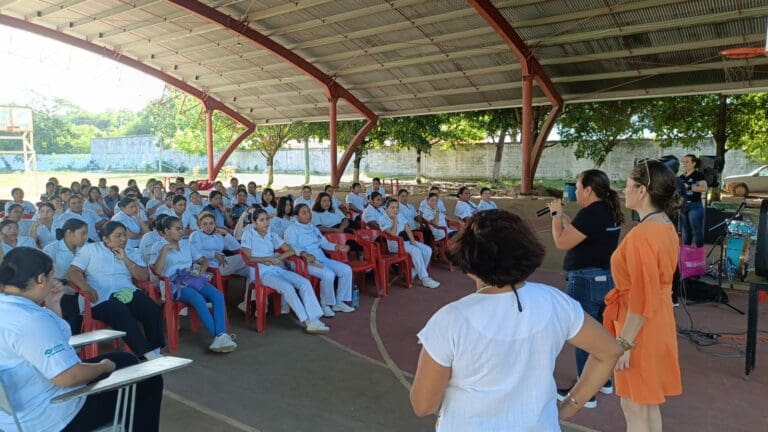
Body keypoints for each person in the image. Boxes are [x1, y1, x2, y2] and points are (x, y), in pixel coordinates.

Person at [410, 210, 623, 430]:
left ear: (469, 260)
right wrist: (570, 405)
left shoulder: (450, 320)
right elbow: (609, 351)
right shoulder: (555, 301)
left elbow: (422, 405)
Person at [0, 247, 164, 432]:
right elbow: (68, 377)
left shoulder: (9, 308)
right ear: (40, 279)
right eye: (51, 276)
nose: (53, 282)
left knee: (125, 360)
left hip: (13, 413)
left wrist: (53, 303)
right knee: (149, 380)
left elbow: (52, 340)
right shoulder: (30, 320)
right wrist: (104, 366)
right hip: (52, 418)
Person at [607, 160, 683, 431]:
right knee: (647, 405)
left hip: (639, 327)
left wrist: (624, 343)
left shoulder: (643, 235)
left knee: (634, 407)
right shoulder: (665, 225)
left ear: (642, 190)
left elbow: (640, 298)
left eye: (627, 186)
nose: (622, 191)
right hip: (657, 320)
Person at [547, 169, 624, 408]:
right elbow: (583, 235)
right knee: (600, 333)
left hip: (585, 280)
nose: (576, 191)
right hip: (605, 279)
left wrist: (556, 215)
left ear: (588, 189)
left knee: (582, 335)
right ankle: (604, 380)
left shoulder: (591, 213)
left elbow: (561, 242)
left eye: (578, 187)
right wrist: (564, 217)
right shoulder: (608, 211)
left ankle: (585, 392)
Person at [67, 221, 166, 360]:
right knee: (120, 312)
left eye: (125, 235)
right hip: (100, 296)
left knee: (151, 308)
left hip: (127, 291)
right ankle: (148, 354)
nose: (124, 239)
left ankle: (155, 349)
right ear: (106, 239)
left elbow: (143, 276)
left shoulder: (132, 251)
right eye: (118, 236)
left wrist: (125, 258)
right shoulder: (90, 249)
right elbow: (73, 272)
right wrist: (86, 287)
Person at [150, 216, 236, 353]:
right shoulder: (158, 246)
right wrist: (165, 249)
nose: (182, 231)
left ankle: (220, 335)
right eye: (177, 229)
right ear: (166, 231)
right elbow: (158, 271)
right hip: (173, 284)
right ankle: (220, 336)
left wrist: (201, 269)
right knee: (198, 298)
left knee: (218, 295)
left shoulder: (185, 244)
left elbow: (203, 260)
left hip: (191, 278)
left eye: (182, 228)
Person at [241, 208, 329, 334]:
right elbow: (249, 257)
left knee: (304, 282)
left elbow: (290, 250)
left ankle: (314, 318)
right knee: (287, 287)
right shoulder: (248, 234)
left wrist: (278, 258)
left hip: (275, 268)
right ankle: (307, 321)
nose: (266, 222)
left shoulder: (271, 234)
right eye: (261, 220)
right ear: (254, 223)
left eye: (267, 219)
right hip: (261, 273)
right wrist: (267, 259)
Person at [284, 204, 354, 318]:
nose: (308, 215)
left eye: (309, 212)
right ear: (296, 216)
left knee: (346, 270)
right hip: (305, 262)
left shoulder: (313, 228)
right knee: (328, 274)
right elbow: (291, 247)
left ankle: (340, 302)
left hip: (321, 258)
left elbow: (324, 243)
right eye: (304, 213)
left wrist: (338, 247)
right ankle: (326, 304)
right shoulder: (291, 230)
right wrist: (305, 254)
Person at [379, 199, 440, 289]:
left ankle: (414, 271)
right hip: (395, 245)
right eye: (392, 207)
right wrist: (395, 220)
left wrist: (413, 241)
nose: (395, 210)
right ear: (386, 209)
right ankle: (425, 279)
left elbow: (407, 229)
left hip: (406, 241)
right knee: (416, 251)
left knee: (427, 250)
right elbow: (393, 234)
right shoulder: (382, 219)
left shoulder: (399, 215)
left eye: (396, 207)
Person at [43, 218, 89, 334]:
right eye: (82, 233)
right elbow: (45, 277)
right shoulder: (51, 249)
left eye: (86, 233)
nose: (85, 237)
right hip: (61, 289)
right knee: (72, 305)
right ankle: (74, 340)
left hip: (83, 287)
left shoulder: (87, 248)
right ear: (69, 233)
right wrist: (67, 283)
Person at [190, 212, 249, 283]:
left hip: (221, 263)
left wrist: (225, 233)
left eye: (211, 223)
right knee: (247, 262)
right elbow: (195, 253)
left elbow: (236, 247)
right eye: (205, 224)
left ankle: (254, 289)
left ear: (215, 224)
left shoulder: (217, 235)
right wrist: (214, 254)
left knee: (249, 266)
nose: (208, 226)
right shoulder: (196, 235)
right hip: (208, 266)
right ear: (200, 225)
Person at [679, 154, 707, 248]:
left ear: (694, 163)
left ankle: (700, 255)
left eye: (687, 162)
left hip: (695, 206)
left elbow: (704, 188)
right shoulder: (682, 176)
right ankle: (687, 255)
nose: (684, 163)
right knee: (686, 233)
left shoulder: (698, 175)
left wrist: (690, 186)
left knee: (696, 232)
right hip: (684, 206)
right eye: (683, 162)